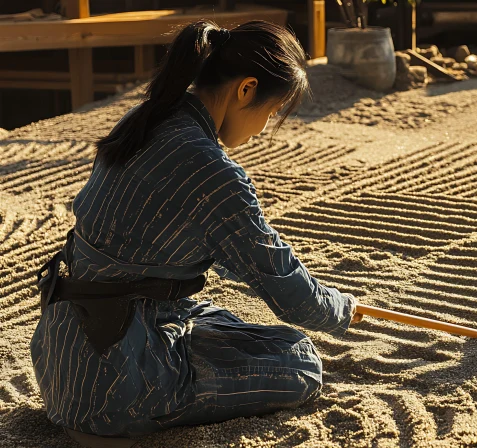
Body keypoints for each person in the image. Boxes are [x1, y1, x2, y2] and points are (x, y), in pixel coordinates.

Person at [28, 19, 363, 443]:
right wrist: (341, 308)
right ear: (246, 89)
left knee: (231, 327)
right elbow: (283, 285)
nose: (263, 129)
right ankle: (130, 410)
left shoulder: (146, 118)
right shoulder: (210, 171)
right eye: (271, 112)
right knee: (300, 361)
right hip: (117, 383)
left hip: (61, 357)